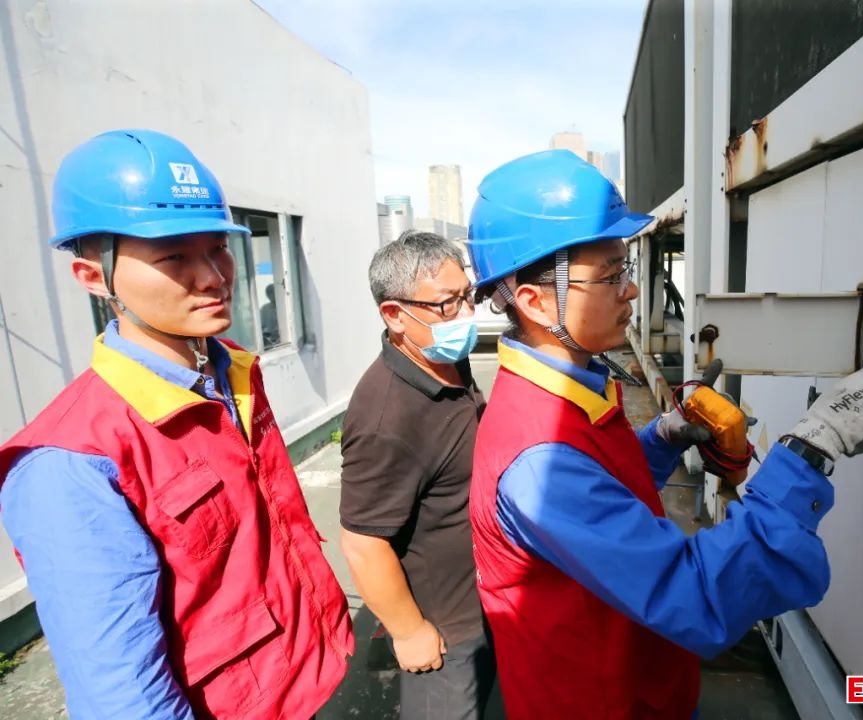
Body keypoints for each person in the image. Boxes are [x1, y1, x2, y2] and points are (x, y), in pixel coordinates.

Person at [465, 149, 863, 719]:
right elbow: (697, 596)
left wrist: (663, 439)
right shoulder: (538, 462)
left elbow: (597, 491)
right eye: (611, 275)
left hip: (634, 678)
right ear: (535, 301)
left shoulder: (557, 393)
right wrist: (811, 447)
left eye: (626, 269)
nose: (631, 291)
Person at [0, 129, 353, 719]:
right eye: (174, 257)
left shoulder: (232, 370)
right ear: (93, 277)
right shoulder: (69, 461)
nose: (214, 276)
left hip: (304, 680)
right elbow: (123, 694)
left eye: (218, 248)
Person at [339, 230, 496, 719]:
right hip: (446, 629)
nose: (465, 315)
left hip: (482, 598)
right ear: (394, 315)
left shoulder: (444, 360)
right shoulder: (386, 420)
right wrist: (409, 631)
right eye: (447, 304)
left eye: (467, 296)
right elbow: (363, 542)